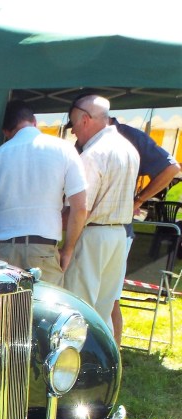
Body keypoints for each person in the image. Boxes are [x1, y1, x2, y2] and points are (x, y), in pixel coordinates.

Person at [0, 100, 87, 285]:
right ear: (35, 121)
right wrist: (68, 250)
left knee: (0, 305)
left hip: (1, 249)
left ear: (5, 132)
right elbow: (80, 207)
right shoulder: (64, 148)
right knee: (44, 304)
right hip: (42, 250)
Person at [63, 95, 139, 332]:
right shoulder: (128, 148)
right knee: (103, 312)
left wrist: (67, 248)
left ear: (85, 120)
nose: (73, 131)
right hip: (118, 235)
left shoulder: (93, 154)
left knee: (78, 309)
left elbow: (80, 208)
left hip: (93, 236)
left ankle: (80, 356)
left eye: (74, 124)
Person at [107, 116, 180, 346]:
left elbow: (171, 168)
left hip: (116, 230)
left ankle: (112, 355)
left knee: (110, 298)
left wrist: (139, 199)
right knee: (105, 297)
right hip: (101, 230)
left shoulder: (129, 136)